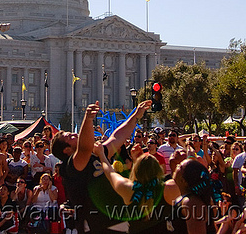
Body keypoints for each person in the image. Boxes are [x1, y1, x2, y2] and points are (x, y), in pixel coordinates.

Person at [51, 100, 152, 233]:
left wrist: (136, 115)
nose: (75, 134)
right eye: (70, 137)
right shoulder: (70, 166)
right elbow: (84, 148)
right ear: (66, 150)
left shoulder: (96, 154)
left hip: (117, 220)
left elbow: (117, 137)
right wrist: (88, 119)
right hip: (96, 224)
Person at [94, 145, 179, 233]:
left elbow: (109, 172)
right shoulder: (169, 188)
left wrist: (101, 154)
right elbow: (188, 177)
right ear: (159, 170)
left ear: (135, 170)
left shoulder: (127, 188)